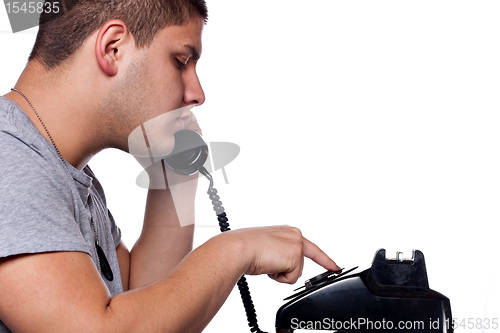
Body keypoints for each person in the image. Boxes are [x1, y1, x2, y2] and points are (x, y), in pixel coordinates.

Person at [0, 0, 339, 331]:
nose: (197, 93)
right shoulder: (10, 157)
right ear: (113, 48)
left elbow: (141, 300)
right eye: (180, 61)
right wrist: (235, 249)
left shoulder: (56, 169)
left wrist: (176, 173)